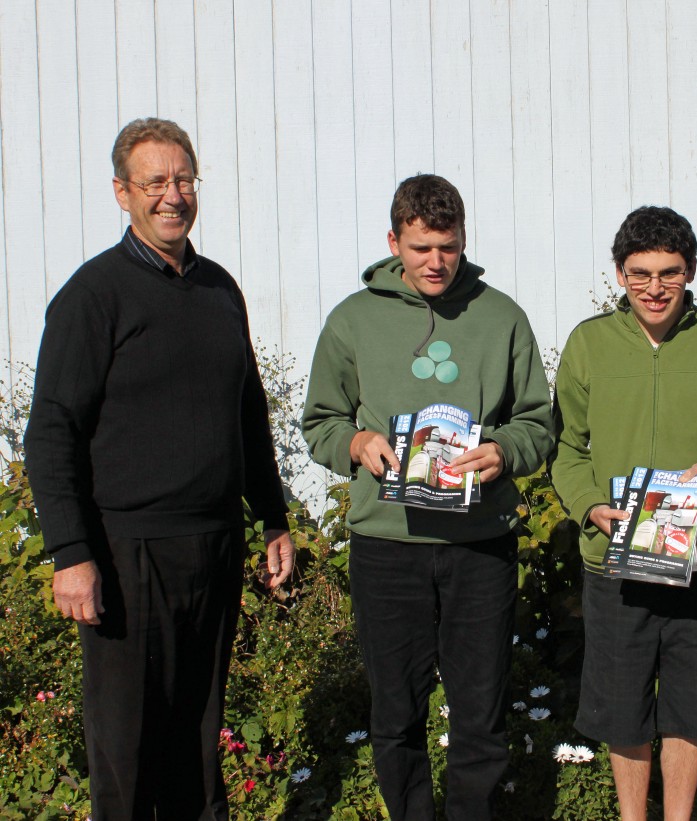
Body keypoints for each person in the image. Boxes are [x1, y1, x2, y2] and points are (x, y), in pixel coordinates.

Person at [24, 117, 295, 820]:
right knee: (129, 740)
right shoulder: (94, 296)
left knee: (199, 731)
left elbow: (248, 415)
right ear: (122, 193)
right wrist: (70, 551)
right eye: (155, 182)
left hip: (213, 544)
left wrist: (272, 518)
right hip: (126, 554)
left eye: (183, 179)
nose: (173, 195)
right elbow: (52, 431)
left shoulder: (218, 291)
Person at [302, 173, 553, 821]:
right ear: (393, 241)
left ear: (463, 239)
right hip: (388, 546)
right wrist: (356, 445)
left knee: (480, 710)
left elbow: (538, 423)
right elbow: (320, 423)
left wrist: (504, 450)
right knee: (395, 710)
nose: (435, 262)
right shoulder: (352, 320)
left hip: (479, 544)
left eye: (447, 246)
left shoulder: (501, 318)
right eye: (420, 248)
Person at [550, 206, 697, 820]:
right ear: (620, 274)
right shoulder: (589, 344)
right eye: (640, 273)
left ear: (692, 270)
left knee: (693, 703)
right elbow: (565, 448)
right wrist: (589, 506)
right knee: (622, 703)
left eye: (669, 273)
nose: (655, 288)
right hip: (614, 560)